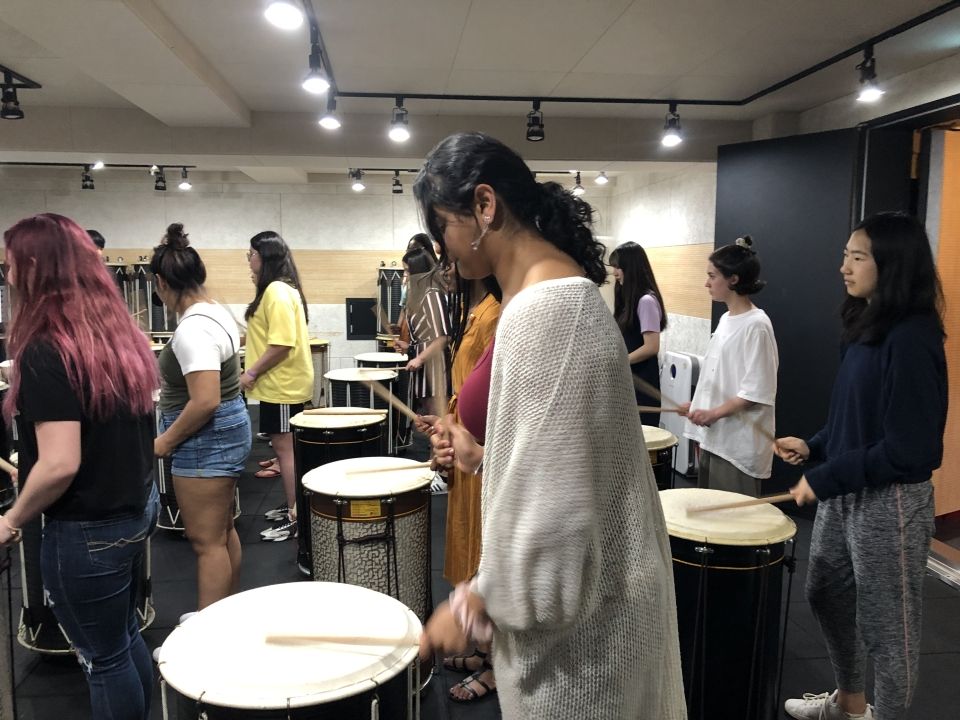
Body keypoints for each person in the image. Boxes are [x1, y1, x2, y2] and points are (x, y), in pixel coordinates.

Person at [413, 131, 686, 719]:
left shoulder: (545, 313)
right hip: (600, 611)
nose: (445, 250)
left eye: (444, 228)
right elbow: (565, 467)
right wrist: (485, 457)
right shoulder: (565, 297)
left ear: (485, 206)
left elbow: (552, 533)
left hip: (584, 650)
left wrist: (467, 605)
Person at [777, 212, 947, 720]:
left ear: (891, 264)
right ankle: (850, 705)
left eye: (857, 257)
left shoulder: (913, 337)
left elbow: (910, 450)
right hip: (848, 488)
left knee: (888, 625)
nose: (843, 267)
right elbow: (855, 418)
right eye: (846, 255)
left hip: (890, 500)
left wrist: (824, 477)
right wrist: (814, 447)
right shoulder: (866, 321)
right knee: (826, 591)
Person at [0, 213, 159, 720]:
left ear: (31, 268)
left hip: (87, 530)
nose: (5, 277)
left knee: (103, 656)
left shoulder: (47, 349)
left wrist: (10, 519)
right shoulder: (115, 336)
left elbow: (61, 463)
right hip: (134, 509)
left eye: (7, 266)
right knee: (122, 636)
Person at [151, 223, 250, 614]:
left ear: (160, 281)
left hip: (206, 438)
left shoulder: (192, 328)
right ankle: (224, 614)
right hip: (227, 427)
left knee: (205, 542)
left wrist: (164, 442)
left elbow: (205, 400)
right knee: (223, 530)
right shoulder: (215, 309)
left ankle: (209, 635)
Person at [417, 271, 501, 702]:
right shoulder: (476, 312)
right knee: (470, 553)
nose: (445, 272)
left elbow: (494, 405)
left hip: (484, 461)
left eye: (448, 261)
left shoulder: (496, 313)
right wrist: (446, 423)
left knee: (484, 556)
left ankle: (495, 667)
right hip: (470, 458)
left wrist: (461, 432)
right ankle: (482, 650)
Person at [680, 236, 778, 497]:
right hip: (715, 438)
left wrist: (713, 413)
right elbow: (719, 376)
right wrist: (700, 405)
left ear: (733, 279)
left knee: (733, 528)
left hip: (737, 444)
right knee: (709, 521)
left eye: (712, 276)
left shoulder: (756, 325)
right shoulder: (725, 319)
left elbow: (756, 391)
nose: (706, 283)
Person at [241, 231, 313, 543]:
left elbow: (282, 344)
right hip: (279, 385)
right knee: (285, 450)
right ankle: (293, 506)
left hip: (281, 385)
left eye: (252, 254)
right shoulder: (278, 291)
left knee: (286, 452)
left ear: (265, 257)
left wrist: (251, 372)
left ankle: (298, 516)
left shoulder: (277, 292)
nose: (249, 260)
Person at [609, 241, 667, 427]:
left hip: (642, 383)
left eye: (618, 267)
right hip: (629, 381)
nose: (614, 273)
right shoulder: (628, 299)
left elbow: (651, 347)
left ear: (631, 268)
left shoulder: (646, 301)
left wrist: (620, 362)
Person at [402, 245, 450, 416]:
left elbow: (443, 337)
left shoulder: (432, 295)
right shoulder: (421, 296)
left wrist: (420, 358)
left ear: (419, 272)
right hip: (424, 368)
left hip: (434, 368)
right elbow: (425, 337)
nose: (405, 276)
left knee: (438, 421)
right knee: (430, 422)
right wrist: (409, 347)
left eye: (407, 271)